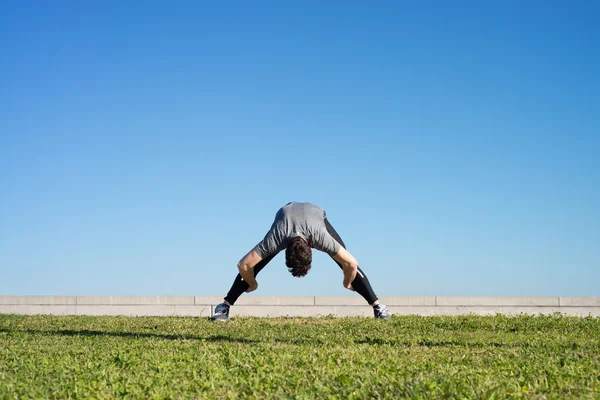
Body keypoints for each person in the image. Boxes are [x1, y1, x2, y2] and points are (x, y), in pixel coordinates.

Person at [210, 202, 391, 321]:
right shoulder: (276, 238)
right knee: (256, 263)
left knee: (343, 256)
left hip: (316, 214)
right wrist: (251, 281)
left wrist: (347, 280)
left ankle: (378, 307)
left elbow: (351, 263)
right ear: (282, 250)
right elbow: (244, 265)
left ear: (312, 248)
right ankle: (224, 307)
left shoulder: (320, 237)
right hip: (285, 216)